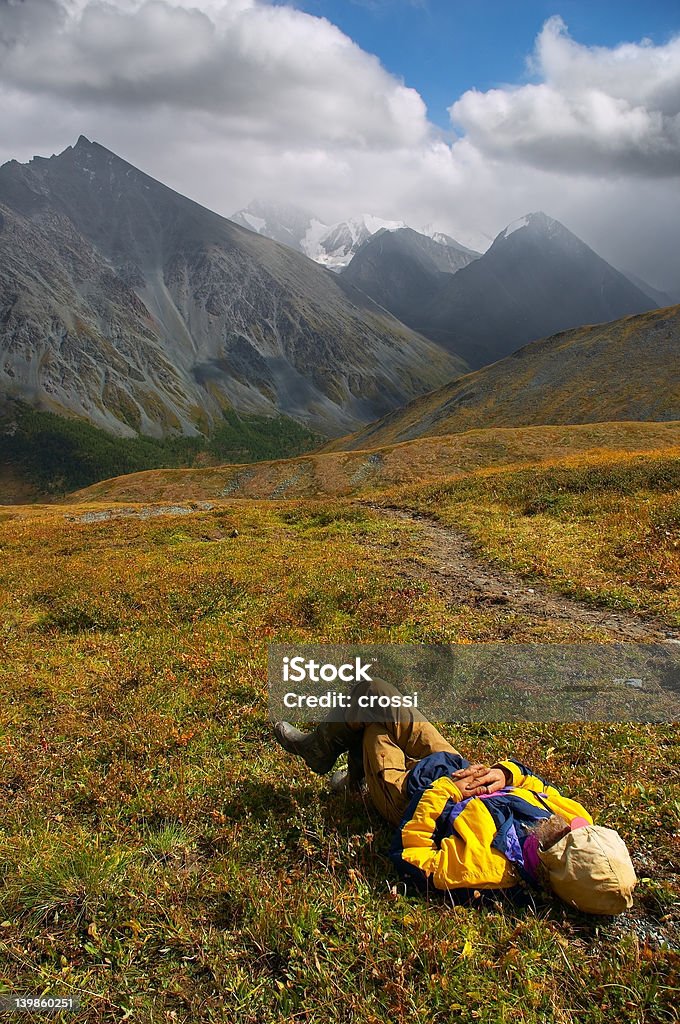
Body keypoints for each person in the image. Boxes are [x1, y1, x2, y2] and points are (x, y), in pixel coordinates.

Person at [273, 678, 637, 916]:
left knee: (372, 724)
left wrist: (446, 791)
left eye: (565, 837)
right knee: (374, 694)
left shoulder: (489, 869)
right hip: (456, 767)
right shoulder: (571, 823)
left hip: (411, 800)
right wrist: (506, 773)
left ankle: (337, 764)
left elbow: (412, 856)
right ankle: (350, 776)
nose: (564, 824)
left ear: (554, 864)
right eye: (578, 828)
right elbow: (542, 788)